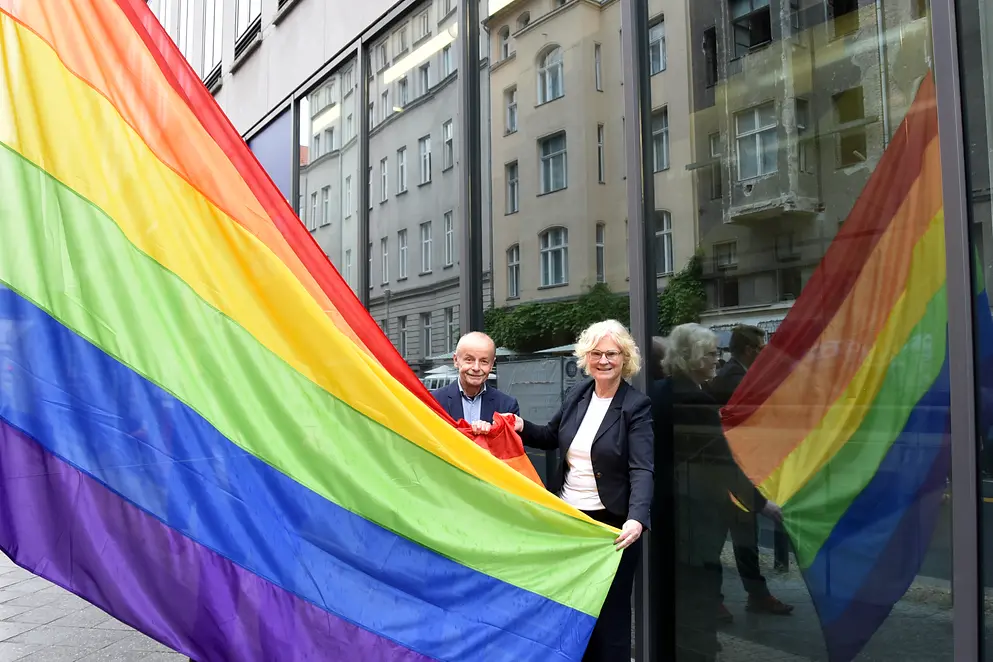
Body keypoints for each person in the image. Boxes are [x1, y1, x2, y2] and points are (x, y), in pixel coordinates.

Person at [479, 320, 653, 662]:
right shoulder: (579, 394)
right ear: (586, 357)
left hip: (612, 528)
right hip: (570, 520)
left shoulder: (636, 406)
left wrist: (637, 518)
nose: (603, 360)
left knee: (612, 615)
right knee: (573, 609)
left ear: (625, 358)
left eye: (612, 354)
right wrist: (519, 426)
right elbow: (549, 436)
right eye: (596, 353)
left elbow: (642, 468)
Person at [661, 323, 781, 662]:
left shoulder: (662, 390)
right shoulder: (695, 399)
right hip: (696, 512)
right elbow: (723, 462)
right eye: (713, 353)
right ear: (693, 357)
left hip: (674, 509)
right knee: (700, 585)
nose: (718, 359)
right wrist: (762, 504)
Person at [707, 325, 793, 621]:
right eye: (759, 347)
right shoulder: (735, 378)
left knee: (743, 540)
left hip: (735, 471)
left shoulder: (736, 375)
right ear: (746, 349)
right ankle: (723, 599)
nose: (763, 352)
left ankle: (754, 596)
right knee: (726, 539)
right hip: (730, 473)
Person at [432, 331, 519, 423]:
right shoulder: (435, 402)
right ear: (456, 360)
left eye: (484, 361)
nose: (476, 368)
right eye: (469, 360)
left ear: (492, 364)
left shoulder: (507, 406)